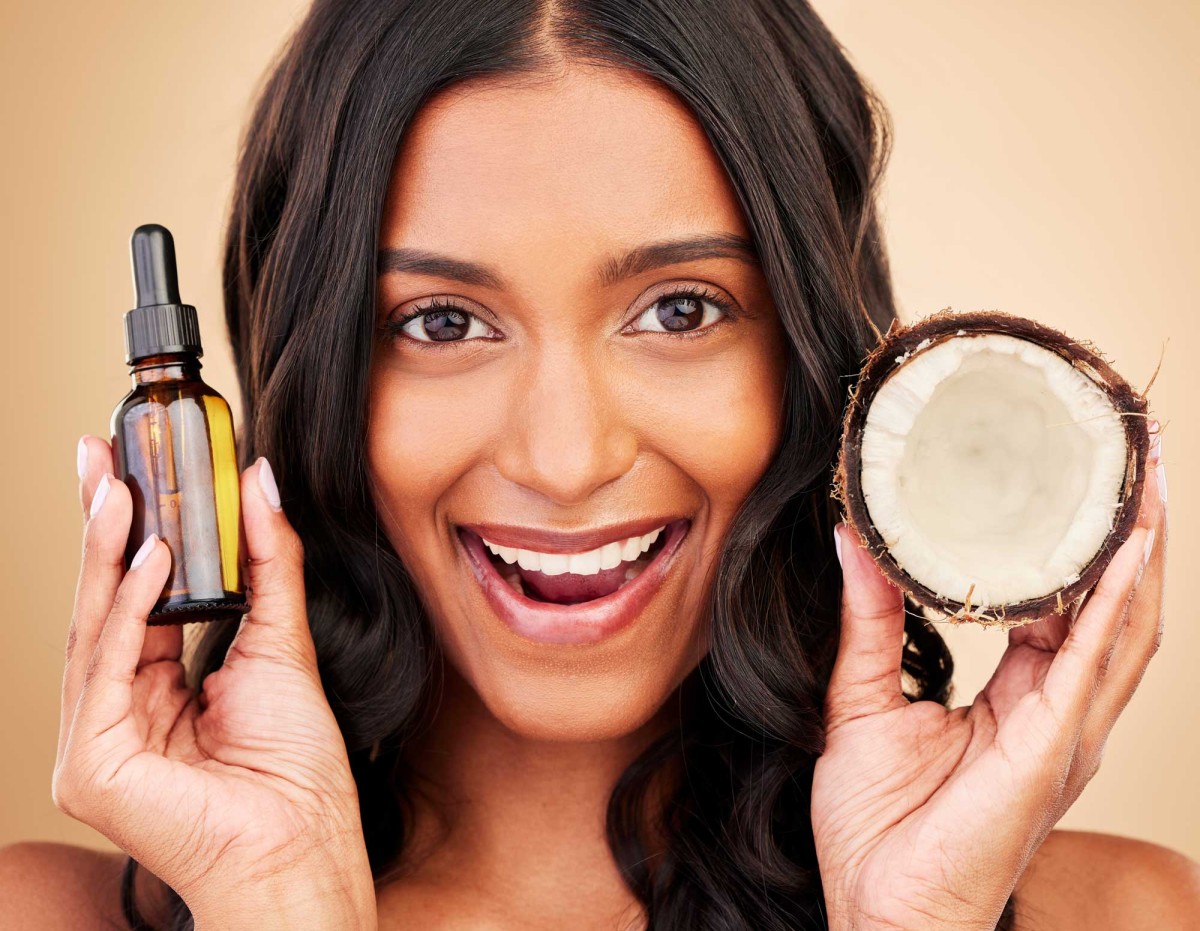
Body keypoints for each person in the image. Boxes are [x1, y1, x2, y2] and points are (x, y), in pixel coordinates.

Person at [3, 1, 1195, 928]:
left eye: (680, 310)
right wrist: (273, 907)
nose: (567, 461)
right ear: (314, 376)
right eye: (440, 323)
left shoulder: (1132, 915)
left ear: (811, 350)